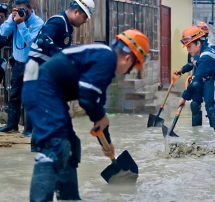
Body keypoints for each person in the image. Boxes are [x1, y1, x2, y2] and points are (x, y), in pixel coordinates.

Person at [22, 29, 150, 201]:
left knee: (71, 146)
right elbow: (87, 96)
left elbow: (98, 113)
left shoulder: (103, 66)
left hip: (49, 93)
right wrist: (100, 116)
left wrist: (107, 143)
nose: (127, 73)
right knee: (56, 145)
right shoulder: (107, 59)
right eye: (131, 70)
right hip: (41, 89)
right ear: (128, 59)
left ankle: (70, 198)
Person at [0, 0, 43, 134]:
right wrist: (12, 20)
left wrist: (21, 24)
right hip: (18, 62)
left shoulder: (38, 23)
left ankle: (30, 129)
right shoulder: (14, 18)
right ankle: (12, 125)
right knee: (15, 95)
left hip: (33, 63)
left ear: (29, 9)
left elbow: (31, 43)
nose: (20, 13)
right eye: (17, 10)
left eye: (22, 10)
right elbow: (3, 32)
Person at [175, 21, 215, 127]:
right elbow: (190, 63)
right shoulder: (192, 47)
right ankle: (196, 132)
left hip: (207, 80)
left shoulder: (209, 48)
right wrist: (182, 70)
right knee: (194, 104)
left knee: (210, 106)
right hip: (196, 80)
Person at [28, 0, 95, 64]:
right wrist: (64, 55)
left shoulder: (67, 26)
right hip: (36, 68)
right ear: (76, 12)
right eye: (85, 17)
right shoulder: (58, 21)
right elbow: (42, 40)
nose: (85, 21)